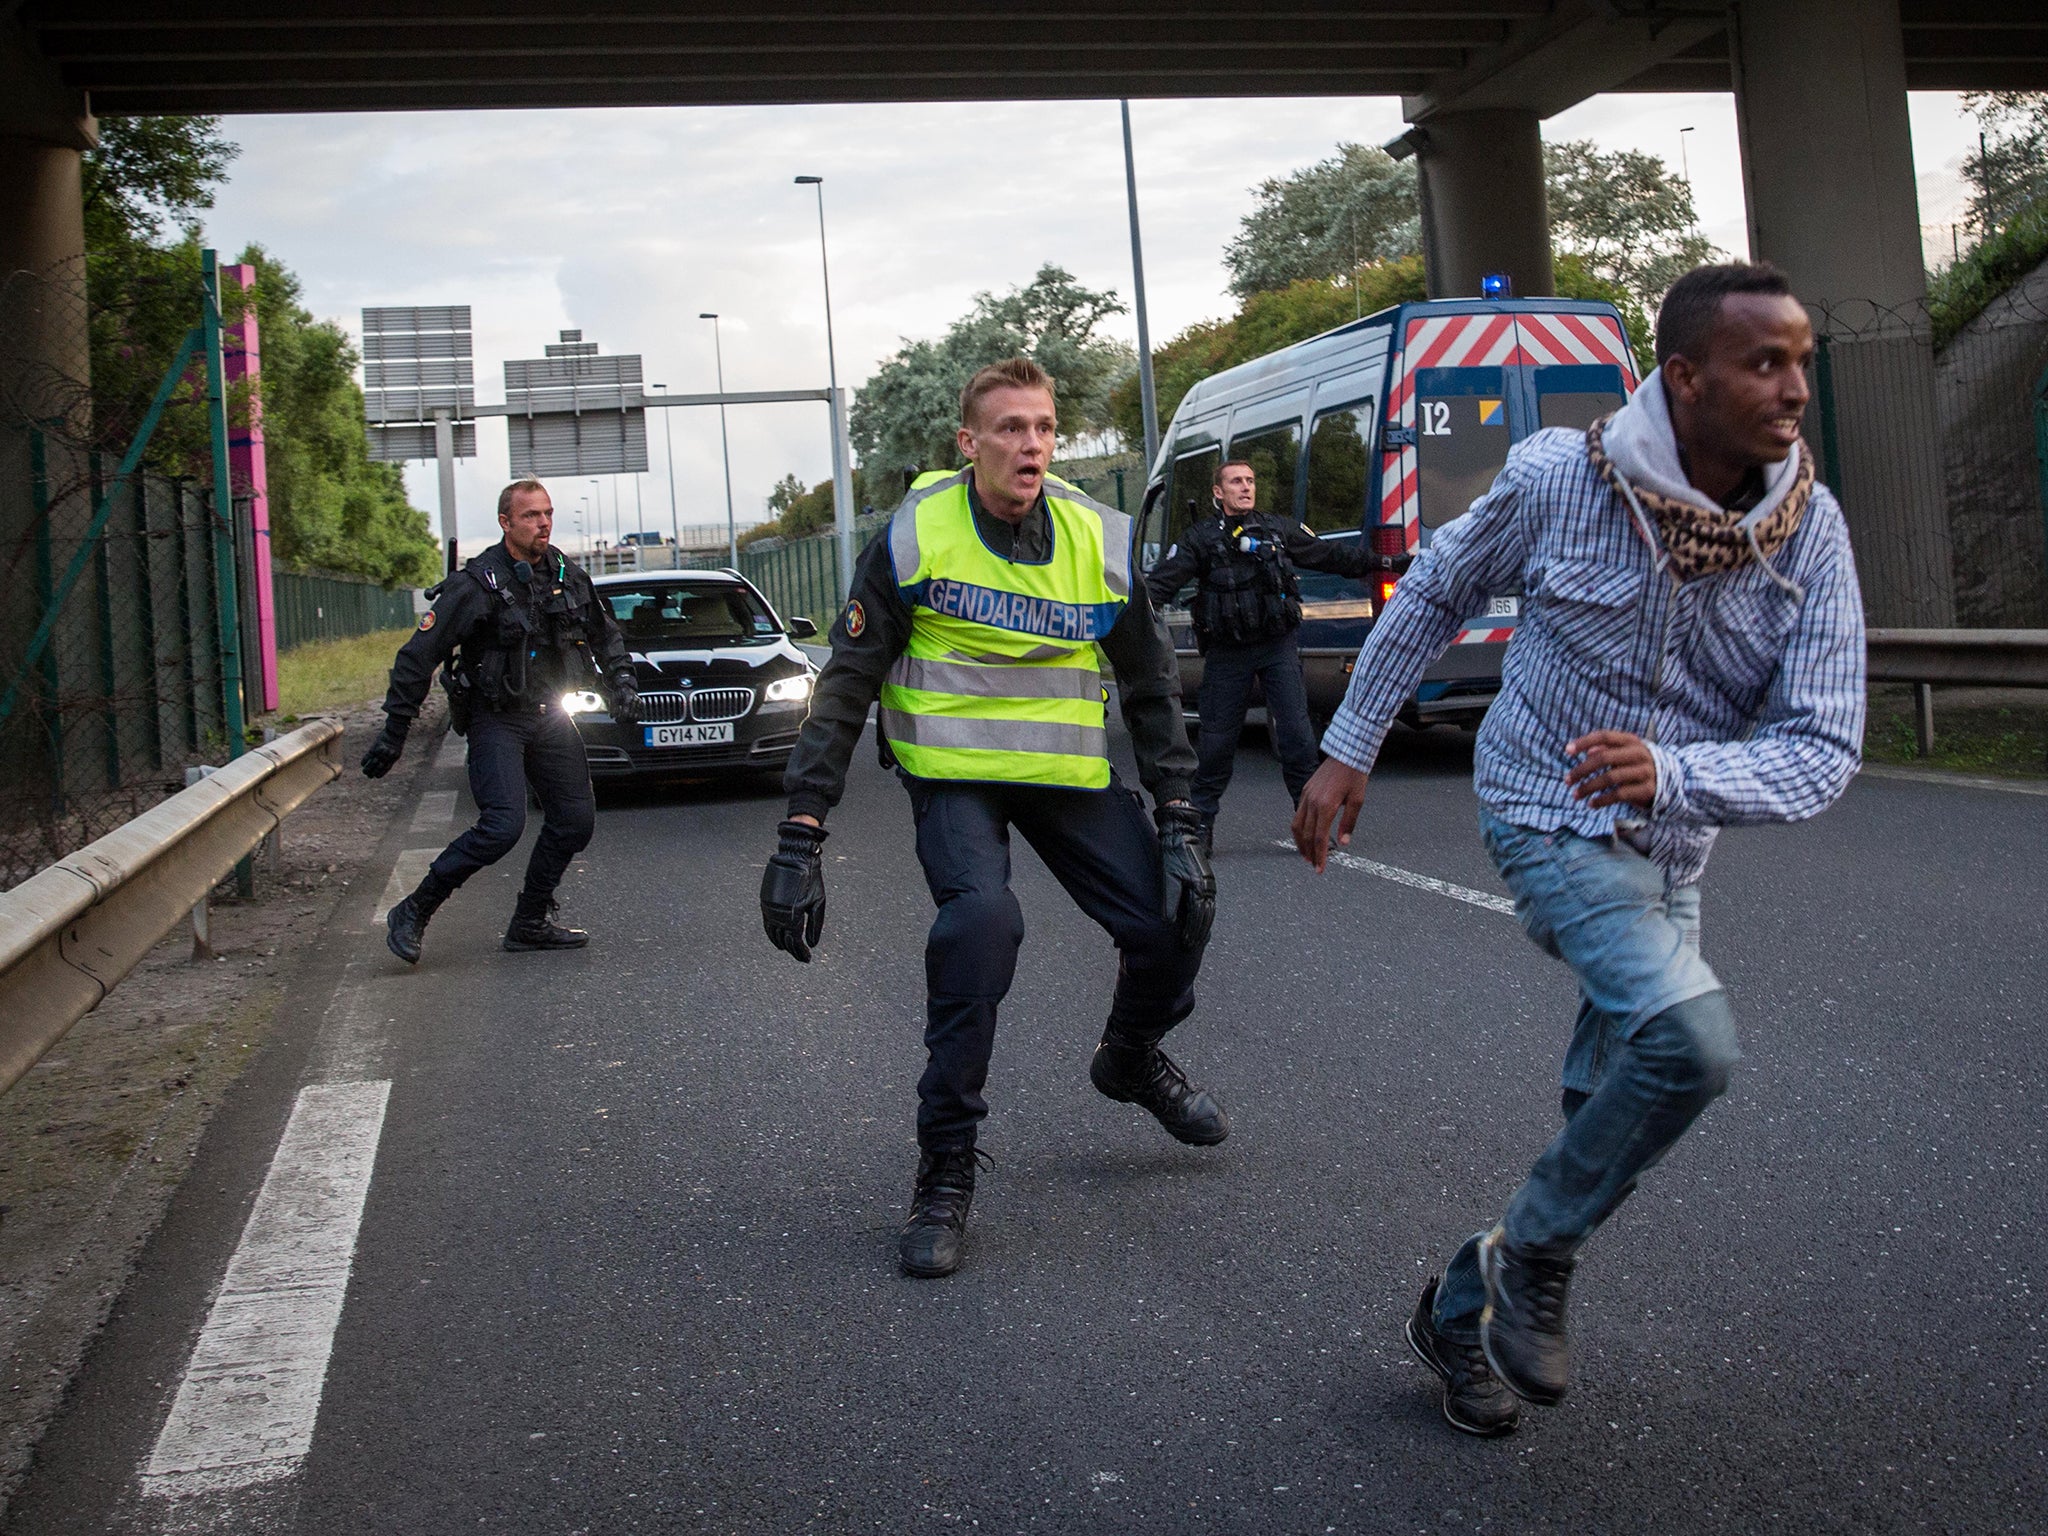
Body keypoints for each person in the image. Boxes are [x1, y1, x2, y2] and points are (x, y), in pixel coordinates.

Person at [1292, 263, 1865, 1436]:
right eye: (1765, 361)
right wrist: (1347, 748)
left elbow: (1822, 746)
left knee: (1611, 1117)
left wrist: (1677, 773)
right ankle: (1534, 1265)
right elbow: (1432, 589)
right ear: (1685, 377)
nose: (1793, 387)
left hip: (1671, 842)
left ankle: (1463, 1306)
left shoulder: (1806, 535)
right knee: (1688, 1044)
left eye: (1801, 359)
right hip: (1539, 808)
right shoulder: (1562, 477)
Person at [760, 357, 1224, 1280]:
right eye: (1011, 429)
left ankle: (1130, 1057)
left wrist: (1177, 814)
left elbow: (1151, 686)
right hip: (953, 776)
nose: (1032, 446)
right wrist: (800, 833)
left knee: (1180, 916)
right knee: (981, 924)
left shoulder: (1101, 539)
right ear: (968, 444)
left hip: (1064, 775)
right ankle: (944, 1167)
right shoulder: (915, 538)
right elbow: (845, 687)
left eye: (1045, 429)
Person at [362, 477, 639, 962]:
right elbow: (417, 656)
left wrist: (623, 683)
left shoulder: (567, 575)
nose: (544, 523)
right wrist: (394, 732)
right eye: (531, 515)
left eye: (547, 513)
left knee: (575, 821)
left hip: (551, 715)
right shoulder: (477, 584)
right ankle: (413, 910)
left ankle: (530, 921)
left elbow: (605, 634)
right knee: (502, 826)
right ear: (506, 522)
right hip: (498, 719)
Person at [1144, 458, 1376, 851]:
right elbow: (1159, 587)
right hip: (1227, 654)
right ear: (1219, 492)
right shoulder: (1201, 539)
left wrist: (1386, 562)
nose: (1246, 487)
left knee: (1299, 740)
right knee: (1216, 746)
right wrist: (1125, 621)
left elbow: (1330, 556)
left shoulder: (1278, 530)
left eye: (1250, 480)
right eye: (1236, 481)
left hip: (1277, 648)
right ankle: (1201, 830)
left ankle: (1312, 827)